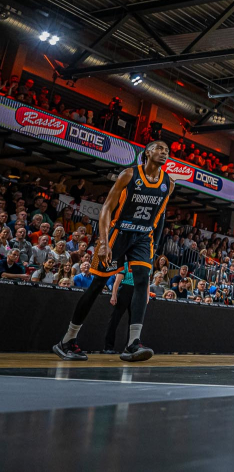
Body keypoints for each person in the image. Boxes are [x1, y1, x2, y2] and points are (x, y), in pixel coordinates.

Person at [52, 141, 175, 363]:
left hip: (143, 237)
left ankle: (133, 343)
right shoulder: (129, 175)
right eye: (159, 148)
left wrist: (154, 246)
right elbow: (107, 208)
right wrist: (105, 242)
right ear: (147, 153)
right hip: (119, 233)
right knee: (97, 285)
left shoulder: (169, 183)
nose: (164, 153)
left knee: (141, 282)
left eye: (167, 150)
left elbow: (161, 215)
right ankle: (67, 340)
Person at [103, 263, 146, 353]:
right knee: (114, 319)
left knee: (133, 321)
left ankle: (130, 346)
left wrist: (146, 297)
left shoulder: (143, 266)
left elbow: (147, 282)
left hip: (137, 292)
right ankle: (108, 347)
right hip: (124, 291)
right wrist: (114, 295)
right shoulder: (126, 264)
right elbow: (117, 282)